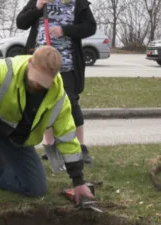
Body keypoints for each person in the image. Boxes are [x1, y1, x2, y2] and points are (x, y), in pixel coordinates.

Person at [0, 45, 94, 216]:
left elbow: (67, 139)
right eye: (35, 78)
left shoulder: (58, 98)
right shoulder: (6, 69)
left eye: (42, 82)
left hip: (18, 141)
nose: (36, 84)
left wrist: (78, 181)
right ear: (29, 63)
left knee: (36, 188)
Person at [16, 0, 97, 164]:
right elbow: (21, 22)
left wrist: (65, 30)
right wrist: (37, 7)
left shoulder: (78, 3)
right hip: (40, 65)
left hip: (66, 64)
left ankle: (81, 147)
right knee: (44, 103)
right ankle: (51, 146)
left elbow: (90, 27)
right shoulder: (39, 1)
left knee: (71, 103)